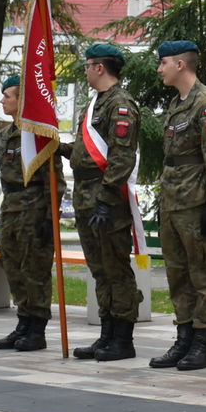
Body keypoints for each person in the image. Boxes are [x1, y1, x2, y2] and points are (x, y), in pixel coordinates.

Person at [149, 41, 206, 372]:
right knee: (178, 274)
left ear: (180, 65)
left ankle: (202, 344)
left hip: (197, 202)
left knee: (204, 274)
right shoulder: (176, 104)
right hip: (173, 202)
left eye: (164, 62)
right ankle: (184, 338)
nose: (159, 68)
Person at [67, 44, 143, 361]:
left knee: (115, 269)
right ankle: (106, 334)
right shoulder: (95, 103)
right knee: (99, 269)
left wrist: (106, 198)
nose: (84, 71)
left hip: (106, 197)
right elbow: (87, 150)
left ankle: (123, 339)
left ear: (100, 68)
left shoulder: (121, 105)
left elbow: (121, 156)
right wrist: (60, 147)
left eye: (87, 66)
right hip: (86, 194)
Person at [0, 75, 65, 352]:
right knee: (11, 263)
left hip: (34, 208)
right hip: (11, 206)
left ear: (22, 100)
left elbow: (55, 179)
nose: (3, 100)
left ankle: (37, 327)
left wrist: (50, 217)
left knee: (35, 268)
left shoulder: (40, 134)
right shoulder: (7, 133)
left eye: (8, 95)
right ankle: (23, 320)